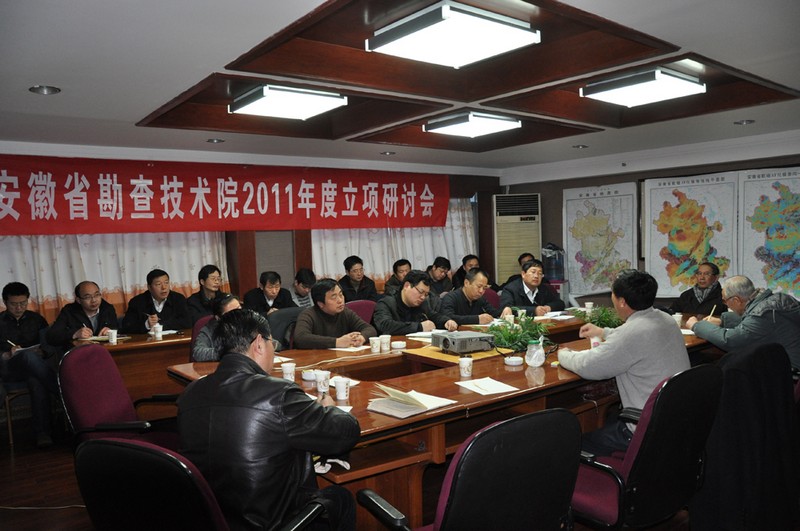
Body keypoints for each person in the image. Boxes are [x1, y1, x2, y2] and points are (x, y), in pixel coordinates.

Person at [178, 309, 359, 531]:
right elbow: (346, 433)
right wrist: (330, 409)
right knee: (341, 497)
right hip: (273, 522)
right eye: (272, 342)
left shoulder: (190, 392)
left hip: (212, 520)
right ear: (259, 344)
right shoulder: (278, 394)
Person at [558, 270, 690, 456]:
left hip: (644, 428)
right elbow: (634, 338)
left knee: (572, 444)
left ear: (621, 301)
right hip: (675, 420)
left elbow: (588, 366)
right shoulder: (665, 318)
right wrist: (603, 332)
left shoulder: (632, 333)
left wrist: (563, 354)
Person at [687, 275, 800, 370]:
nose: (725, 304)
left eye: (725, 300)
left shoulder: (763, 314)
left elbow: (730, 341)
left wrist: (697, 325)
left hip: (789, 373)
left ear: (736, 300)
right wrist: (722, 321)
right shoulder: (773, 301)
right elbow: (753, 320)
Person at [0, 282, 57, 448]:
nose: (19, 308)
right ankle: (60, 390)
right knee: (26, 356)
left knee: (36, 381)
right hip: (8, 369)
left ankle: (43, 434)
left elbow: (48, 346)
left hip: (34, 369)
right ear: (5, 302)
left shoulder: (37, 319)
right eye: (14, 304)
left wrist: (42, 353)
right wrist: (6, 355)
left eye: (23, 303)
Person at [293, 279, 377, 349]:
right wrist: (337, 342)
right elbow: (300, 338)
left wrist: (361, 337)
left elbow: (369, 329)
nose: (340, 300)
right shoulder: (308, 315)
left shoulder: (345, 312)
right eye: (334, 297)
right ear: (320, 304)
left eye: (341, 295)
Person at [373, 270, 457, 335]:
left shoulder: (421, 303)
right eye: (421, 292)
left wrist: (447, 321)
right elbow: (385, 325)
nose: (423, 297)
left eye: (426, 294)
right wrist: (419, 327)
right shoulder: (385, 303)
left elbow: (433, 315)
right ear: (407, 286)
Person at [47, 280, 119, 348]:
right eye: (87, 297)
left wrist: (110, 331)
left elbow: (117, 329)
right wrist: (75, 334)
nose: (93, 300)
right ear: (78, 300)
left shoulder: (107, 308)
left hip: (105, 350)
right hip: (79, 352)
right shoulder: (69, 311)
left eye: (97, 295)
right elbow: (52, 336)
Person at [121, 269, 191, 334]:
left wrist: (160, 325)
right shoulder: (137, 302)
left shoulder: (178, 299)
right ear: (149, 287)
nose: (164, 287)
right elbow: (126, 327)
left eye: (166, 283)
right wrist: (147, 324)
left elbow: (187, 322)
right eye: (158, 284)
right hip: (148, 342)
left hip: (173, 340)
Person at [441, 268, 512, 325]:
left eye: (484, 288)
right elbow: (447, 317)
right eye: (479, 286)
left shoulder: (480, 299)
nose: (481, 291)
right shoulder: (450, 298)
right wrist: (477, 319)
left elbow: (493, 312)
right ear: (466, 283)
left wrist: (506, 310)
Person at [500, 259, 565, 316]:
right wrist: (534, 311)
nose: (536, 276)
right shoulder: (510, 289)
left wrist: (548, 307)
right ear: (523, 274)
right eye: (533, 272)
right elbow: (507, 308)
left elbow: (560, 303)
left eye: (540, 273)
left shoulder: (543, 288)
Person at [191, 294, 242, 362]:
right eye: (232, 313)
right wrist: (224, 352)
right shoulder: (209, 329)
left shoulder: (249, 322)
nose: (238, 315)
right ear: (218, 318)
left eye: (239, 309)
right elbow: (198, 353)